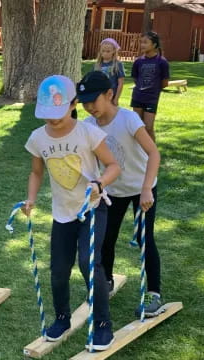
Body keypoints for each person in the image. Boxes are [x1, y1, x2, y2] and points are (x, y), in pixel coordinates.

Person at [23, 75, 121, 350]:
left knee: (90, 264)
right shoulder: (38, 138)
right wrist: (30, 199)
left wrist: (98, 183)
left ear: (73, 104)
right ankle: (62, 318)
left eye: (58, 113)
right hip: (62, 213)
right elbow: (35, 172)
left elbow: (113, 166)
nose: (52, 120)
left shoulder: (87, 133)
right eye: (47, 115)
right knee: (58, 270)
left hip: (92, 207)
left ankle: (103, 325)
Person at [78, 70, 163, 318]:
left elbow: (154, 154)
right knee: (106, 239)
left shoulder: (128, 120)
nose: (89, 106)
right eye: (85, 102)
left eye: (94, 100)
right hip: (112, 191)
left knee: (145, 239)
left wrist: (147, 187)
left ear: (110, 94)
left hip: (141, 187)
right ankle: (105, 282)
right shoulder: (88, 125)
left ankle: (154, 293)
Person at [131, 31, 170, 143]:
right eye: (141, 42)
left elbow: (165, 83)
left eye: (145, 42)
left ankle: (153, 152)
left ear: (154, 45)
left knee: (148, 128)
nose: (142, 45)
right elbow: (136, 78)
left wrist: (153, 89)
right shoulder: (138, 61)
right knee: (137, 128)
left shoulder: (162, 62)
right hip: (137, 97)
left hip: (151, 99)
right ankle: (139, 152)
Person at [93, 38, 125, 106]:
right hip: (99, 97)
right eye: (103, 51)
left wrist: (116, 98)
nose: (105, 53)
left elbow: (120, 83)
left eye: (108, 51)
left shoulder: (117, 64)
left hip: (111, 98)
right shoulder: (97, 65)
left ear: (113, 51)